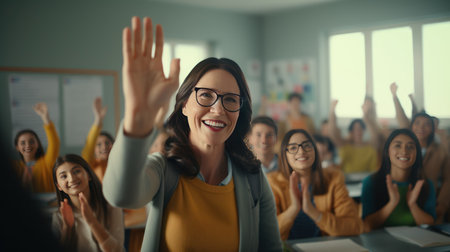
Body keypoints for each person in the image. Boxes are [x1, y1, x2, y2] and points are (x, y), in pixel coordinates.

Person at [102, 17, 282, 251]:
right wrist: (137, 116)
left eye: (230, 99)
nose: (218, 110)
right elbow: (121, 196)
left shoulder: (253, 177)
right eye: (206, 95)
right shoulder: (162, 169)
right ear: (185, 105)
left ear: (240, 111)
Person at [267, 129, 362, 240]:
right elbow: (267, 233)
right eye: (293, 148)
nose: (301, 151)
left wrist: (313, 212)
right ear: (284, 155)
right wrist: (293, 209)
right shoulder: (273, 182)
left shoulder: (334, 178)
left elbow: (354, 227)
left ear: (314, 150)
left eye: (307, 145)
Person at [390, 82, 450, 223]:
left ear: (433, 128)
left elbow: (449, 179)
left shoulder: (440, 150)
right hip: (403, 200)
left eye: (427, 124)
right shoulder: (405, 149)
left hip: (430, 202)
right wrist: (395, 96)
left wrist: (442, 204)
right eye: (417, 123)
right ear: (411, 126)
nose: (421, 128)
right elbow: (401, 117)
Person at [361, 129, 436, 231]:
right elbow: (367, 225)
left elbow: (430, 224)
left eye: (410, 147)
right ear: (388, 151)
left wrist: (413, 205)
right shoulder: (370, 182)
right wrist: (392, 203)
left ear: (417, 154)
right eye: (398, 145)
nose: (404, 151)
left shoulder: (426, 185)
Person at [52, 154, 124, 252]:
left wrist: (92, 222)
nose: (72, 179)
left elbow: (117, 250)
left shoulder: (111, 206)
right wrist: (67, 228)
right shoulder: (59, 217)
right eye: (64, 176)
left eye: (76, 171)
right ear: (59, 186)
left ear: (89, 175)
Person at [14, 102, 60, 192]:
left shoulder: (46, 163)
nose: (27, 145)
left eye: (32, 141)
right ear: (17, 147)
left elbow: (55, 144)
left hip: (47, 205)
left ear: (38, 144)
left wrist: (45, 118)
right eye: (23, 143)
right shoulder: (14, 167)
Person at [328, 100, 378, 174]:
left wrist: (365, 115)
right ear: (351, 132)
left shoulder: (370, 147)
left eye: (360, 129)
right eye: (355, 129)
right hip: (347, 180)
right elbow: (333, 134)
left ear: (364, 131)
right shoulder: (344, 146)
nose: (358, 132)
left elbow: (375, 136)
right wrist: (333, 110)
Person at [81, 97, 113, 182]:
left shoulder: (118, 163)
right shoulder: (92, 164)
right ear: (93, 149)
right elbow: (89, 146)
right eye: (99, 144)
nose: (104, 147)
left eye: (107, 143)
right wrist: (98, 120)